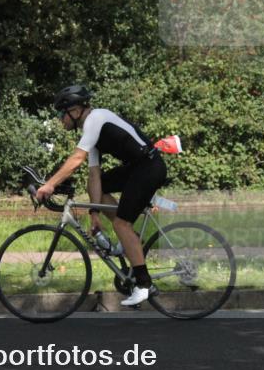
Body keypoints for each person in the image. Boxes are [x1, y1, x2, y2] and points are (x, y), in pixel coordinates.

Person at [36, 85, 167, 306]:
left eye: (62, 113)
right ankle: (131, 239)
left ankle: (144, 284)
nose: (60, 119)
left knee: (121, 225)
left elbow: (76, 159)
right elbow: (94, 177)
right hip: (138, 167)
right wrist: (94, 212)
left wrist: (49, 185)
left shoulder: (95, 119)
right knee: (102, 185)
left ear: (75, 110)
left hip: (149, 167)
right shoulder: (92, 130)